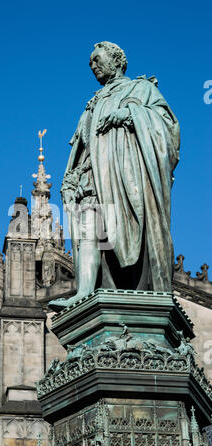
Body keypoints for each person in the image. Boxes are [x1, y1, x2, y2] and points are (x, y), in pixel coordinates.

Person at [50, 42, 180, 312]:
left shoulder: (141, 88)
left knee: (125, 233)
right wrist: (71, 180)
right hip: (93, 177)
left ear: (117, 60)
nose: (93, 66)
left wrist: (130, 114)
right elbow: (82, 149)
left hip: (126, 178)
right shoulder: (92, 103)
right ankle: (84, 292)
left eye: (97, 59)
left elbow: (168, 128)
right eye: (90, 63)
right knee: (88, 225)